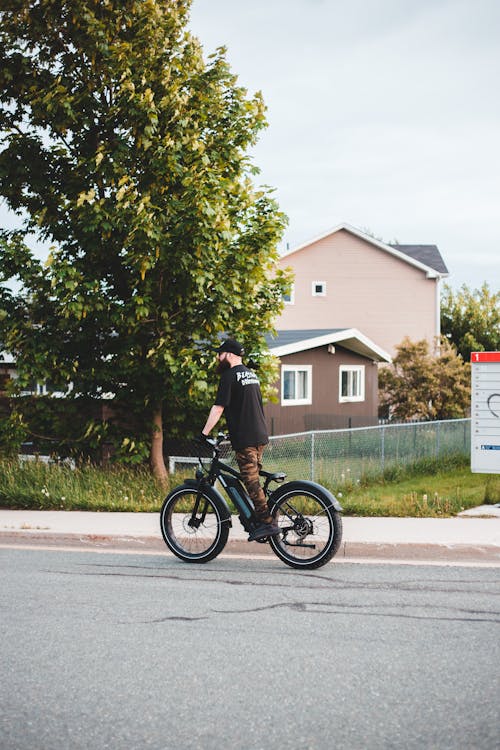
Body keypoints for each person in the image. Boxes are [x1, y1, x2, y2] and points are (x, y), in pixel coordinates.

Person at [200, 337, 281, 542]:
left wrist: (204, 433)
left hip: (246, 438)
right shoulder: (251, 375)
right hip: (259, 435)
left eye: (220, 354)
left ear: (228, 355)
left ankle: (266, 523)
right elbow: (247, 407)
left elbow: (219, 407)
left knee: (250, 481)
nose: (218, 358)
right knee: (253, 480)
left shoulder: (229, 376)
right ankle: (260, 516)